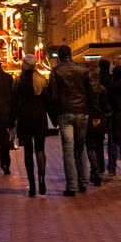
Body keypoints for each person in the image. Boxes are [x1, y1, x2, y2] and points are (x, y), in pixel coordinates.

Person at [46, 45, 92, 196]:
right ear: (70, 54)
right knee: (81, 147)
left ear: (59, 56)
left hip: (65, 112)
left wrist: (53, 117)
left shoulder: (56, 71)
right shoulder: (83, 69)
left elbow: (53, 96)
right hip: (82, 112)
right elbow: (90, 92)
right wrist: (92, 112)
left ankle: (71, 186)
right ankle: (83, 182)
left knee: (68, 149)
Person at [12, 55, 50, 196]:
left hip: (25, 119)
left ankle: (32, 184)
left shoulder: (18, 81)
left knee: (28, 151)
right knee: (40, 150)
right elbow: (48, 102)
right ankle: (42, 180)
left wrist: (11, 123)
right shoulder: (42, 80)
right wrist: (54, 118)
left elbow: (14, 104)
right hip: (40, 118)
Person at [85, 62, 110, 187]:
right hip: (100, 119)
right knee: (99, 146)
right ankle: (99, 170)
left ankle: (94, 170)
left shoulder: (86, 91)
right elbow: (106, 106)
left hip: (89, 120)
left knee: (90, 146)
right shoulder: (102, 89)